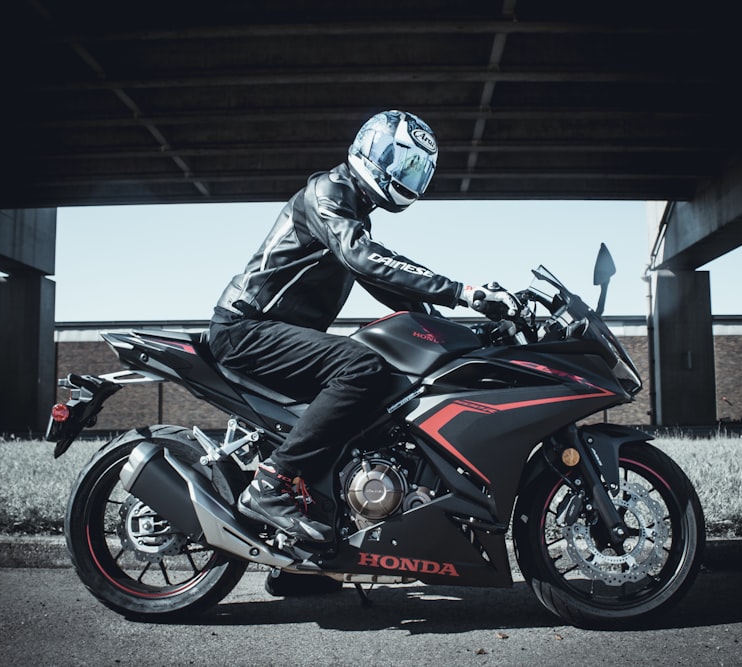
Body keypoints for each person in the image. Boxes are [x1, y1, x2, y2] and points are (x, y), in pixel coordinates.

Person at [208, 109, 518, 547]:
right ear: (375, 151)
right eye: (403, 163)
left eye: (416, 170)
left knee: (367, 414)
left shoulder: (354, 212)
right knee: (362, 367)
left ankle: (304, 554)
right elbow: (366, 259)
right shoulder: (326, 192)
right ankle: (270, 484)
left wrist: (457, 336)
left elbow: (387, 284)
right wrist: (464, 291)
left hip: (272, 332)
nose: (408, 176)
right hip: (246, 328)